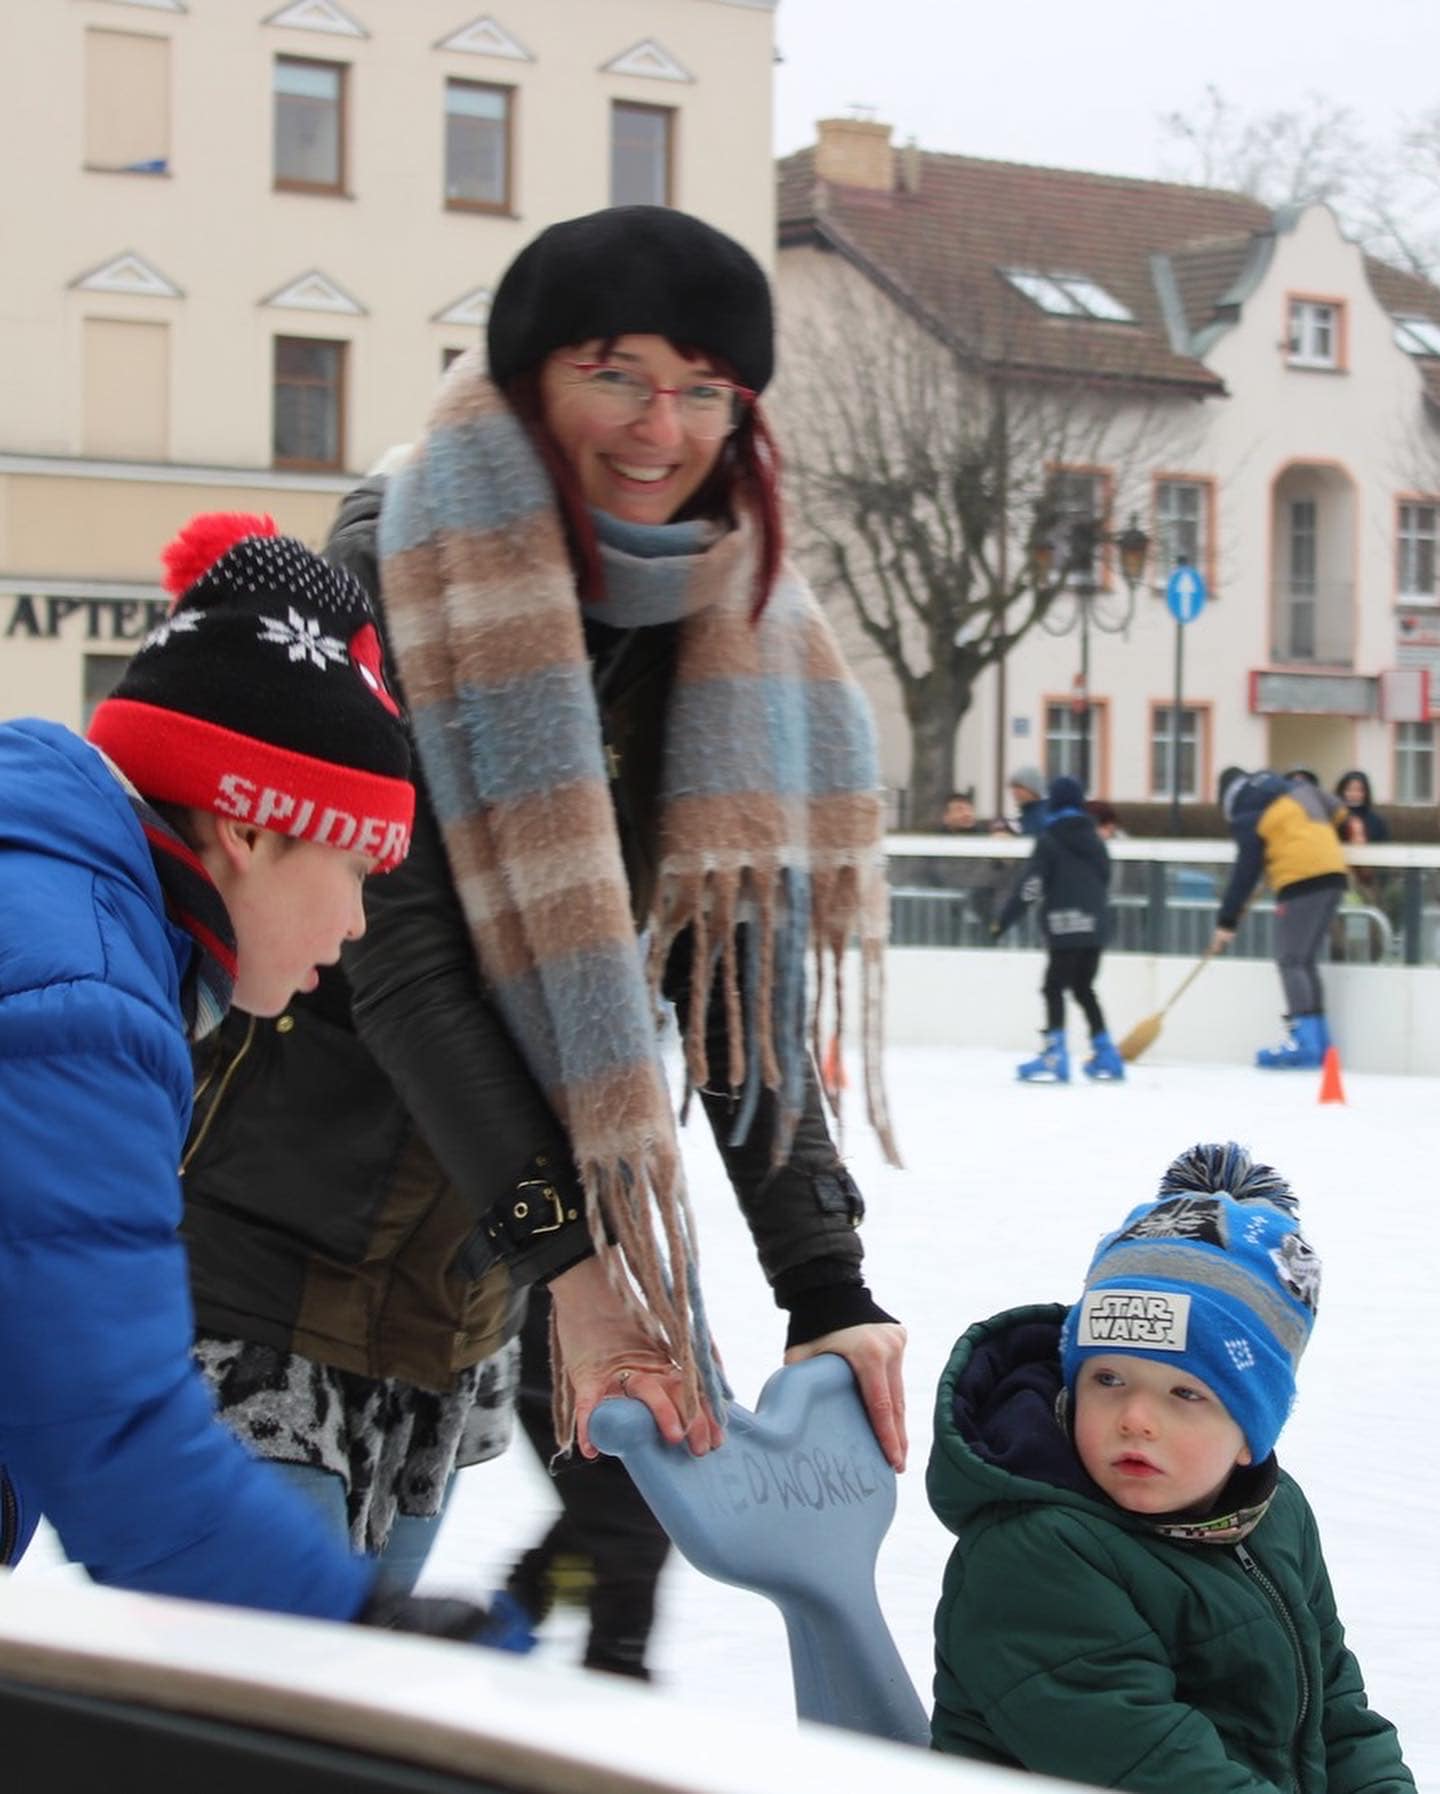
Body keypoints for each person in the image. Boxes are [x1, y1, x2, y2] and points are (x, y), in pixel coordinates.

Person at [179, 206, 907, 1671]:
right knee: (255, 1709)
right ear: (525, 378)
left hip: (455, 1287)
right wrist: (579, 1275)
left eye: (705, 388)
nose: (661, 428)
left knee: (343, 1708)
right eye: (613, 372)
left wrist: (827, 1288)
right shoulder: (396, 580)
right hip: (256, 1263)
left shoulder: (727, 619)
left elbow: (726, 974)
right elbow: (403, 963)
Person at [0, 512, 488, 1638]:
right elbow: (118, 1446)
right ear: (250, 828)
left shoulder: (65, 912)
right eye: (357, 868)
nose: (358, 923)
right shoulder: (85, 1007)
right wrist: (363, 1631)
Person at [928, 1141, 1414, 1791]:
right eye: (1108, 1379)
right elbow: (1156, 1767)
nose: (1136, 1418)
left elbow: (1337, 1711)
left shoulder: (1275, 1513)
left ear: (1251, 1431)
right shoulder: (1035, 1552)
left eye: (1185, 1393)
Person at [1212, 766, 1347, 1068]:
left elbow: (1245, 870)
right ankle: (1321, 1042)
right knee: (1305, 961)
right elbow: (1338, 811)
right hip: (1334, 873)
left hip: (1301, 880)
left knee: (1291, 961)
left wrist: (1226, 920)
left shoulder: (1245, 812)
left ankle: (1306, 1043)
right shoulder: (1293, 787)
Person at [991, 775, 1122, 1083]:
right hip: (1096, 927)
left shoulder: (1050, 839)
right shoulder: (1095, 840)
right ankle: (1106, 1052)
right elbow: (1105, 877)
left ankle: (1055, 1055)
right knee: (1083, 988)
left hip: (1064, 927)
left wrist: (1003, 921)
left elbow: (1031, 886)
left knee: (1053, 988)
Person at [990, 765, 1047, 838]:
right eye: (1012, 787)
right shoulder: (1028, 814)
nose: (1014, 792)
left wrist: (1012, 837)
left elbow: (1033, 839)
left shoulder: (1042, 816)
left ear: (1033, 789)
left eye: (1018, 787)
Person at [1335, 769, 1390, 845]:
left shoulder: (1377, 821)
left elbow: (1384, 845)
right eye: (1349, 789)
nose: (1354, 794)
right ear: (1342, 791)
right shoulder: (1333, 817)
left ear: (1366, 792)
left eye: (1359, 790)